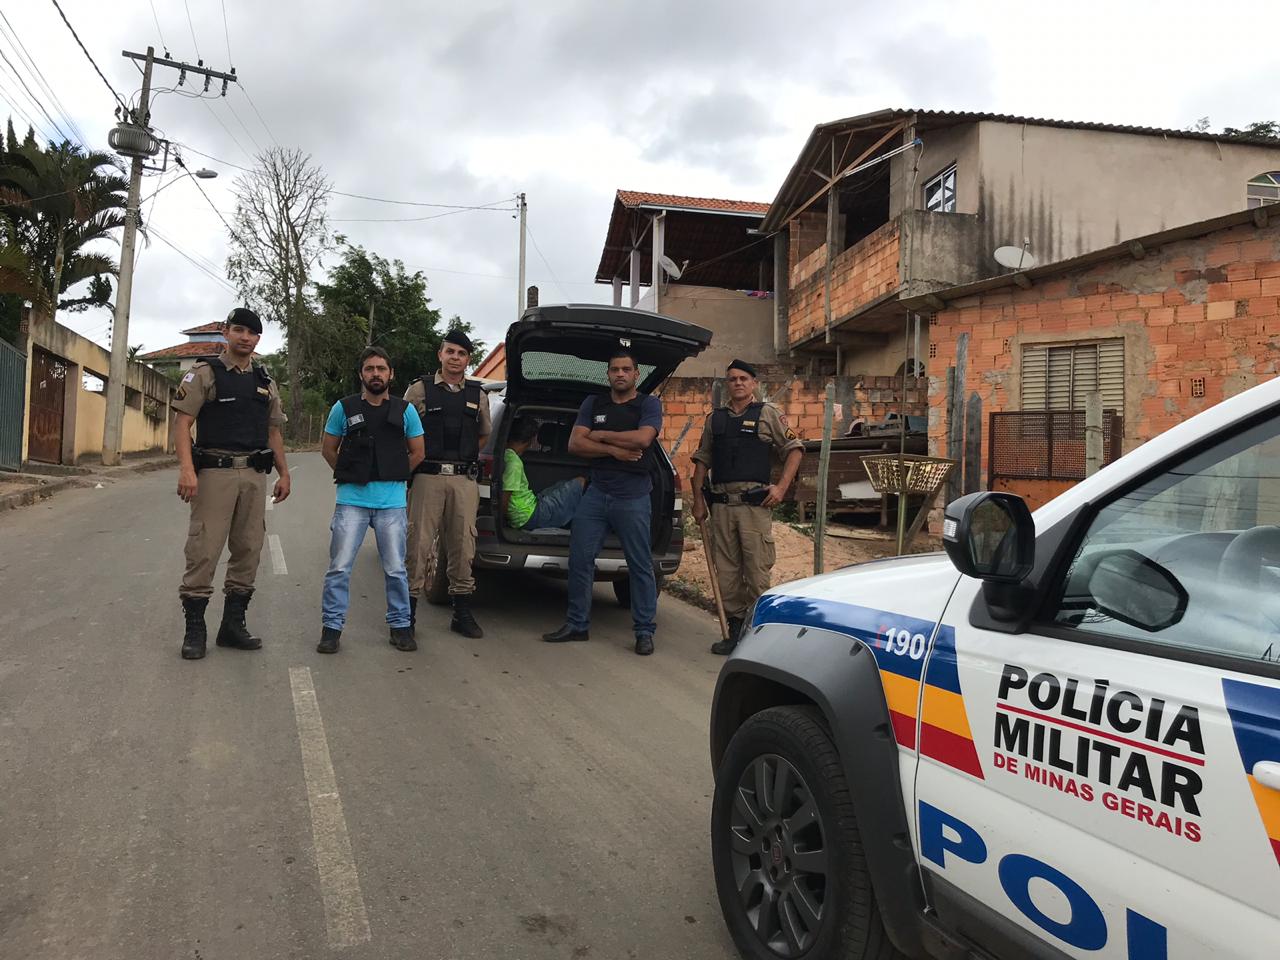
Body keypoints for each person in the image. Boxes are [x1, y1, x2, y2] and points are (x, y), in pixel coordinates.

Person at [173, 307, 291, 660]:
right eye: (238, 330)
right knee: (204, 549)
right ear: (226, 332)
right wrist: (187, 470)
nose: (244, 337)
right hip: (214, 473)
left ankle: (232, 625)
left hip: (255, 476)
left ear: (258, 339)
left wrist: (284, 473)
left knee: (249, 549)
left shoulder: (265, 380)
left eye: (251, 333)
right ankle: (195, 630)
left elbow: (273, 430)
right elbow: (182, 425)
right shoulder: (205, 373)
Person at [542, 348, 663, 655]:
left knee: (640, 565)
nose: (619, 374)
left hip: (633, 495)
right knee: (580, 560)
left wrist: (601, 435)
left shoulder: (649, 404)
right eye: (614, 369)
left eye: (626, 369)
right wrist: (615, 452)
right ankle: (577, 625)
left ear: (636, 374)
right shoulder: (593, 403)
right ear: (607, 374)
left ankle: (644, 631)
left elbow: (643, 440)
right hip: (596, 494)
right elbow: (574, 443)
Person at [691, 359, 804, 656]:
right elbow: (702, 460)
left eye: (743, 378)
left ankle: (760, 635)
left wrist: (781, 488)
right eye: (732, 379)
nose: (738, 383)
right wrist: (698, 499)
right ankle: (734, 631)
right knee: (726, 572)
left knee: (756, 572)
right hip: (722, 507)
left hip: (755, 507)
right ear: (726, 385)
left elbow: (795, 450)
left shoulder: (768, 414)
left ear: (753, 383)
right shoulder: (714, 419)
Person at [318, 347, 426, 654]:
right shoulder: (344, 407)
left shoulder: (405, 411)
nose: (375, 374)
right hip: (351, 500)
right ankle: (332, 628)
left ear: (391, 374)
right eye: (369, 369)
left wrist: (396, 473)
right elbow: (329, 448)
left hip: (392, 503)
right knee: (339, 568)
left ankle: (401, 626)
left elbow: (418, 451)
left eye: (381, 368)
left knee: (395, 569)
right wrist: (349, 472)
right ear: (361, 374)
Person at [404, 328, 490, 638]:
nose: (455, 358)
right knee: (418, 545)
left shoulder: (478, 395)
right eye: (450, 351)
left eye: (461, 353)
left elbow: (482, 435)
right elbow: (405, 433)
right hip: (427, 477)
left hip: (463, 481)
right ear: (440, 354)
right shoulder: (419, 390)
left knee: (463, 546)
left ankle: (461, 613)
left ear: (468, 359)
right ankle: (406, 617)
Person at [503, 416, 587, 530]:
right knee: (580, 482)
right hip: (529, 516)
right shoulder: (514, 463)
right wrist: (502, 521)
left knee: (562, 484)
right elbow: (506, 494)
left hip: (528, 508)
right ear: (531, 440)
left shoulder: (505, 455)